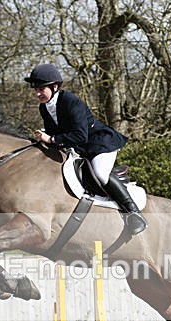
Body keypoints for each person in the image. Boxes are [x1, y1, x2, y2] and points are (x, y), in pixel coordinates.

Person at [24, 63, 148, 236]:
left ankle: (134, 214)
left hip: (100, 144)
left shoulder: (71, 102)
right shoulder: (44, 107)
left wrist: (51, 139)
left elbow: (80, 135)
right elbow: (55, 132)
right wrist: (44, 136)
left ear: (55, 86)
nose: (37, 93)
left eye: (41, 89)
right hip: (82, 149)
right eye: (35, 89)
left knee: (100, 174)